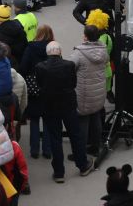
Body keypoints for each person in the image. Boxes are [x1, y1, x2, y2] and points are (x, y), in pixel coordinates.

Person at [35, 41, 94, 182]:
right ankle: (82, 165)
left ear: (47, 53)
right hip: (68, 105)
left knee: (55, 138)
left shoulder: (40, 67)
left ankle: (59, 173)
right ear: (60, 52)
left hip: (49, 107)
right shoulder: (69, 65)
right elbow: (73, 84)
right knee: (75, 135)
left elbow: (39, 85)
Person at [70, 25, 108, 157]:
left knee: (83, 122)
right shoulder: (103, 50)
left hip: (84, 93)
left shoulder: (79, 53)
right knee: (96, 117)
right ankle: (95, 147)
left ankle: (80, 153)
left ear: (85, 36)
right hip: (99, 91)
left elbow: (70, 68)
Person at [20, 24, 55, 159]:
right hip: (49, 86)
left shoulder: (31, 47)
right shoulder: (53, 47)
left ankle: (34, 149)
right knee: (47, 119)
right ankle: (47, 149)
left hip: (33, 86)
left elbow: (23, 66)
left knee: (34, 119)